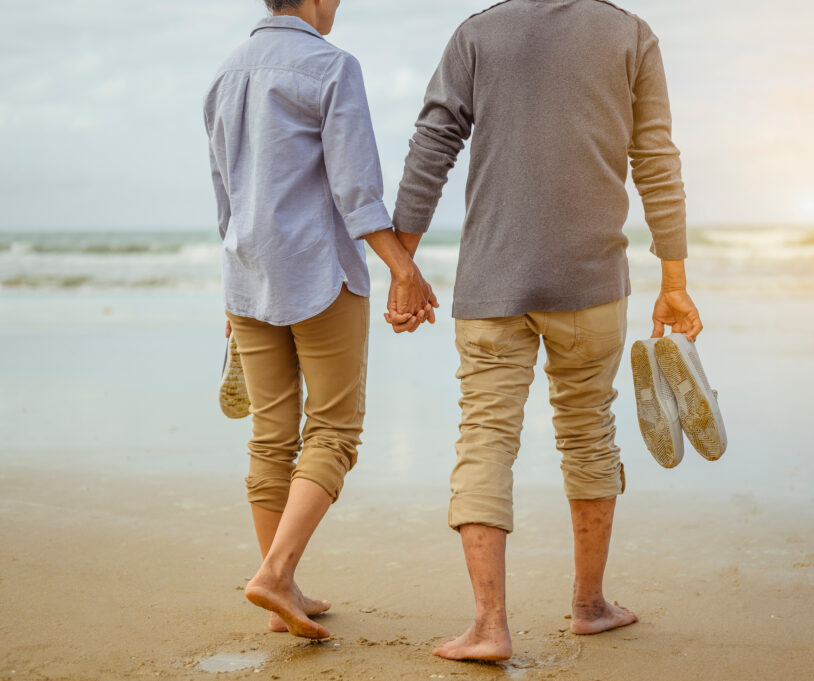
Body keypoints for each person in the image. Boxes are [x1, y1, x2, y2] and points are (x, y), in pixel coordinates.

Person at [389, 0, 703, 661]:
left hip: (492, 280)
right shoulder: (631, 34)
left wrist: (403, 263)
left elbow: (432, 144)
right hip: (590, 280)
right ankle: (590, 605)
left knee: (484, 437)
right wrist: (673, 278)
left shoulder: (475, 34)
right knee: (589, 429)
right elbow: (656, 157)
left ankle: (489, 625)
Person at [203, 0, 436, 639]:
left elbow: (225, 196)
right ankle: (276, 576)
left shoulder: (225, 72)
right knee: (334, 431)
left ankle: (282, 590)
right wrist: (402, 268)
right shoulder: (331, 66)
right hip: (318, 270)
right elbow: (356, 190)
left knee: (271, 436)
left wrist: (233, 292)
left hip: (247, 275)